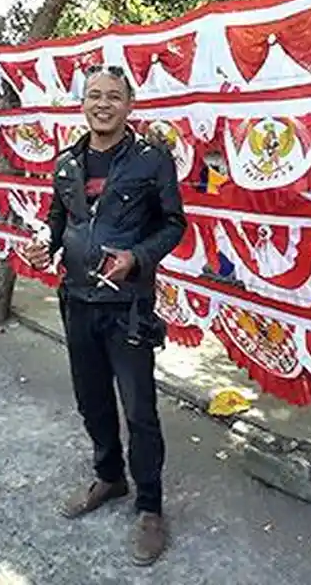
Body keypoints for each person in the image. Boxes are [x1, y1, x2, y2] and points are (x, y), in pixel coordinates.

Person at [21, 65, 186, 566]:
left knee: (139, 410)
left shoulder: (152, 160)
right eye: (94, 95)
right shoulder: (67, 161)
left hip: (128, 306)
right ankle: (110, 478)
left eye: (114, 96)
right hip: (77, 300)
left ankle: (151, 508)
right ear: (84, 103)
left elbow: (174, 224)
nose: (103, 104)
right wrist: (44, 245)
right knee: (91, 402)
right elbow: (58, 217)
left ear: (129, 105)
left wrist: (137, 257)